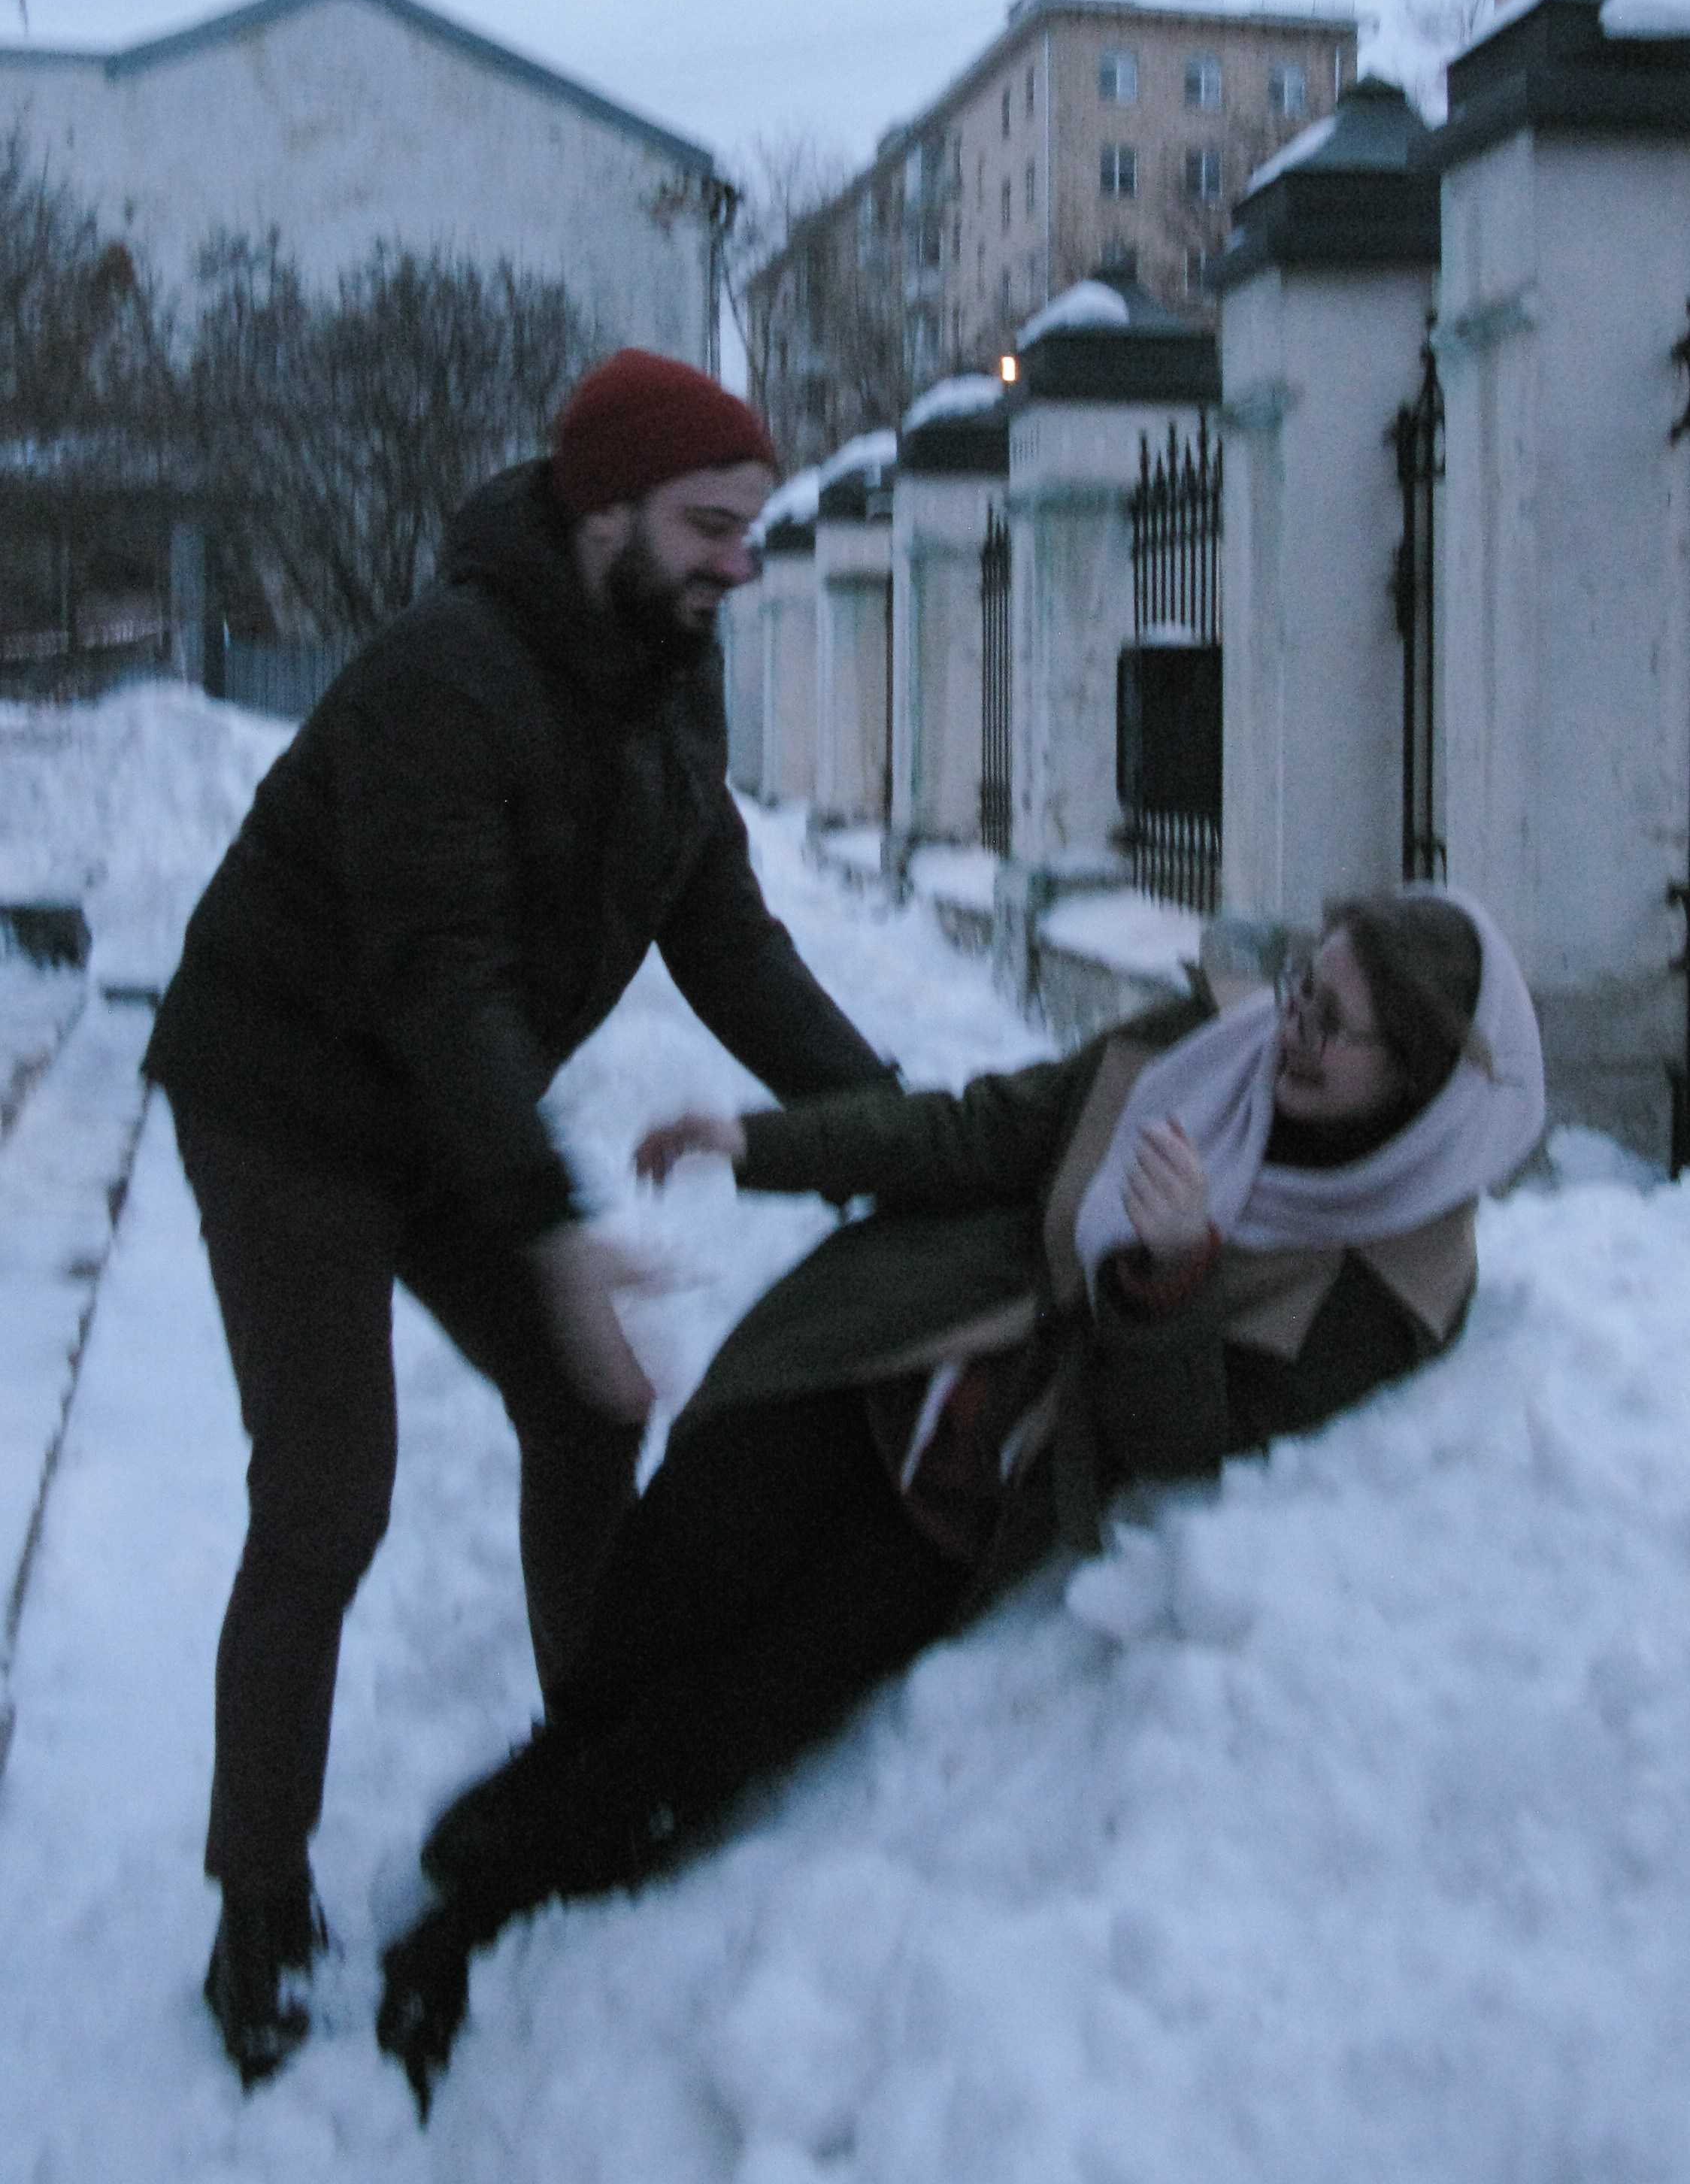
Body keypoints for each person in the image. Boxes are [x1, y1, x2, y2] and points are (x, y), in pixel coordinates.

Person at [375, 889, 1544, 2119]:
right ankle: (544, 1782)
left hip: (989, 1489)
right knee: (676, 1559)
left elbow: (1192, 1441)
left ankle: (470, 1933)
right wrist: (768, 1145)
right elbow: (995, 1129)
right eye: (1306, 988)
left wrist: (1172, 1275)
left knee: (737, 1714)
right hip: (895, 1335)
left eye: (1334, 1028)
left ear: (1415, 1084)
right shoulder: (1205, 1041)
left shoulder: (1396, 1285)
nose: (1291, 1031)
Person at [144, 347, 895, 2088]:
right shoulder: (444, 679)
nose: (738, 562)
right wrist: (551, 1237)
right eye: (712, 524)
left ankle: (584, 1751)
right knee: (328, 1491)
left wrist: (896, 1124)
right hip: (289, 1098)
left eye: (750, 528)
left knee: (597, 1405)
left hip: (435, 1097)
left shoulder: (666, 684)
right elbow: (441, 979)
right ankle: (257, 1897)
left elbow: (733, 944)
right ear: (606, 504)